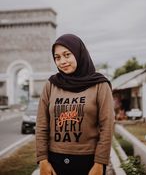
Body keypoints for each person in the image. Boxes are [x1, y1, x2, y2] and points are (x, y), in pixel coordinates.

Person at [36, 33, 114, 175]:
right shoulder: (51, 85)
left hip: (88, 161)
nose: (62, 61)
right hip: (55, 161)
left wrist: (99, 163)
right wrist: (42, 160)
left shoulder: (99, 85)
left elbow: (107, 127)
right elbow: (42, 124)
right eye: (57, 57)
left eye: (67, 55)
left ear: (79, 54)